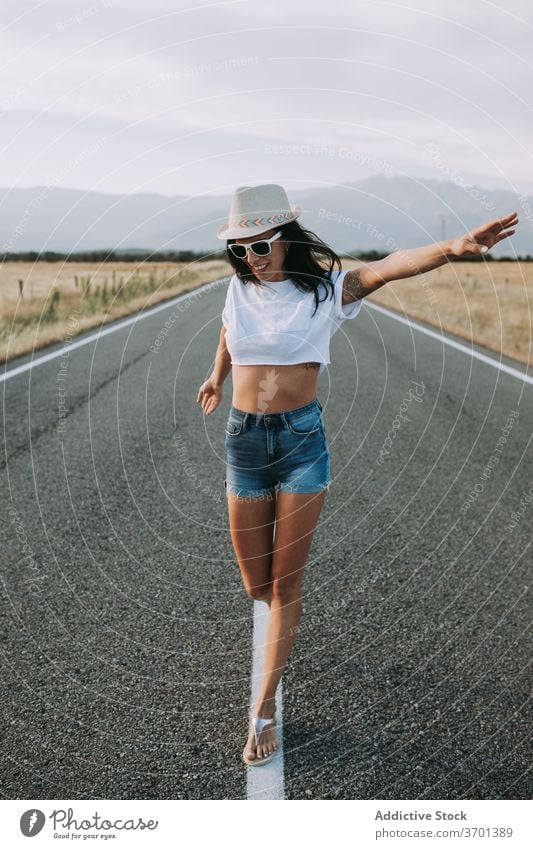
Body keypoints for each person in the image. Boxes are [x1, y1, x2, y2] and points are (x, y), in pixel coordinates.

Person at [196, 183, 518, 766]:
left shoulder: (326, 291)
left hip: (300, 442)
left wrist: (452, 246)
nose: (252, 258)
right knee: (255, 587)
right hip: (245, 441)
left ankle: (264, 708)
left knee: (285, 586)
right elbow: (227, 331)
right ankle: (277, 647)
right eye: (240, 249)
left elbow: (389, 268)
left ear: (286, 240)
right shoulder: (237, 288)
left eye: (261, 245)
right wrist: (217, 376)